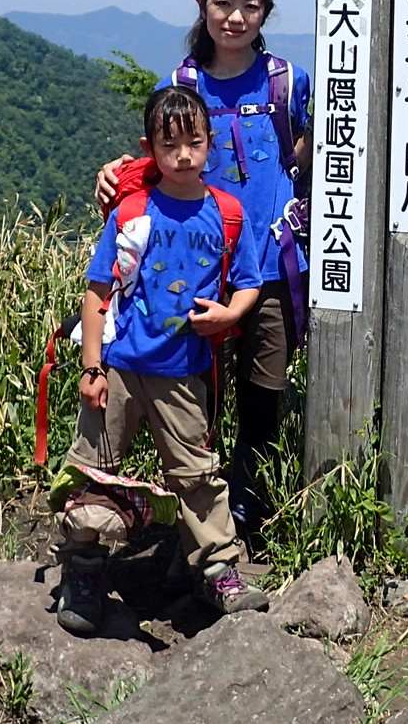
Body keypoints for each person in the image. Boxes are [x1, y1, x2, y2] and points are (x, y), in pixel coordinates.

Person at [96, 0, 311, 541]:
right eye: (224, 2)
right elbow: (161, 165)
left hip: (272, 267)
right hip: (193, 276)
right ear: (202, 4)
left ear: (266, 12)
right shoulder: (179, 86)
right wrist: (116, 174)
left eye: (250, 5)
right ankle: (199, 530)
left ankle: (248, 519)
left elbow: (318, 152)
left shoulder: (289, 83)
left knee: (262, 401)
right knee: (196, 407)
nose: (235, 17)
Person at [56, 85, 274, 634]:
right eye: (169, 144)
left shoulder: (227, 213)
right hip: (120, 370)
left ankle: (217, 571)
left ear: (209, 143)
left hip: (183, 373)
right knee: (93, 469)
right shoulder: (131, 211)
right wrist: (91, 367)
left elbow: (248, 282)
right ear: (148, 147)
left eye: (194, 143)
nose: (182, 155)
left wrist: (229, 315)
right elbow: (97, 293)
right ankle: (83, 570)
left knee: (196, 475)